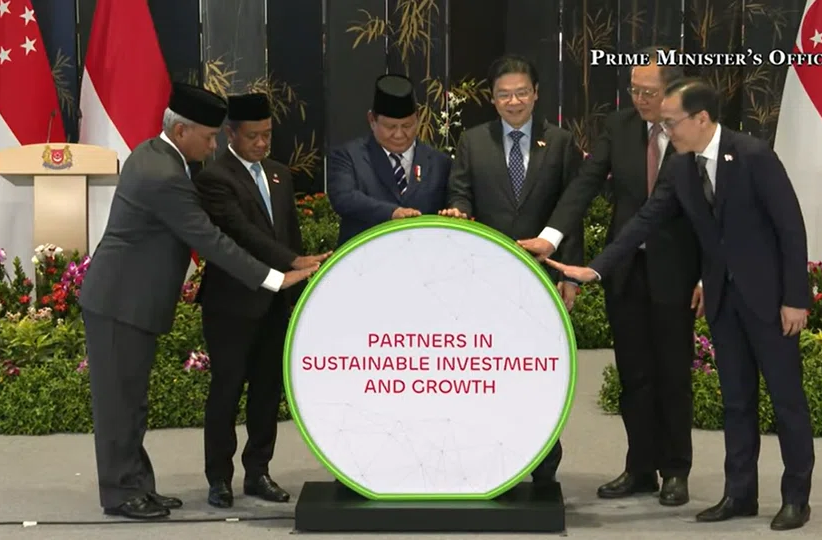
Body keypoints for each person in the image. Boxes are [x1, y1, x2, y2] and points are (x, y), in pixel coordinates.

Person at [533, 78, 814, 531]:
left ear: (701, 118)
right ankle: (740, 494)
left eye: (671, 122)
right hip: (722, 301)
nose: (665, 131)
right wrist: (596, 270)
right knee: (737, 401)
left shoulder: (753, 155)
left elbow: (790, 228)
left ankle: (796, 497)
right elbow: (645, 220)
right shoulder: (682, 167)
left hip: (769, 301)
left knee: (786, 402)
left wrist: (795, 299)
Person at [78, 83, 318, 520]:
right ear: (181, 130)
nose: (212, 146)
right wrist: (274, 278)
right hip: (120, 302)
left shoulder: (160, 156)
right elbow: (210, 239)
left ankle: (138, 486)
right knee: (119, 405)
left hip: (129, 302)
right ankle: (122, 493)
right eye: (208, 137)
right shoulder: (164, 174)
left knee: (131, 402)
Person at [517, 47, 701, 506]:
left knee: (672, 374)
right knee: (634, 375)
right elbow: (584, 184)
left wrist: (705, 275)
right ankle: (640, 468)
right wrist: (551, 238)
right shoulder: (619, 127)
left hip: (677, 271)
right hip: (625, 271)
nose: (640, 99)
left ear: (672, 90)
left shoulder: (692, 130)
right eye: (634, 90)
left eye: (649, 92)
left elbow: (712, 210)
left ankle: (675, 470)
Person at [439, 54, 584, 483]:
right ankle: (489, 460)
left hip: (543, 276)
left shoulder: (560, 142)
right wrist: (458, 211)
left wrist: (569, 274)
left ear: (536, 94)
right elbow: (460, 192)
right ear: (492, 98)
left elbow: (571, 210)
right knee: (487, 371)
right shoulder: (472, 141)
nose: (514, 101)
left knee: (540, 372)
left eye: (521, 92)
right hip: (485, 279)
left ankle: (544, 464)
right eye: (504, 94)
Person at [191, 93, 331, 509]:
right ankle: (219, 478)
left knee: (267, 392)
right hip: (231, 304)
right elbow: (242, 232)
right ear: (231, 134)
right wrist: (292, 261)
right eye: (253, 136)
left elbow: (289, 234)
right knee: (227, 390)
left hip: (275, 303)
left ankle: (258, 472)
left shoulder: (279, 174)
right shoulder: (215, 178)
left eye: (267, 134)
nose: (262, 143)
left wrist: (299, 284)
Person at [327, 74, 452, 246]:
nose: (399, 134)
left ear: (417, 118)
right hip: (363, 256)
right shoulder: (348, 156)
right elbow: (344, 198)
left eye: (407, 126)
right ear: (372, 120)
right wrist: (392, 212)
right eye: (390, 127)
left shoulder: (440, 163)